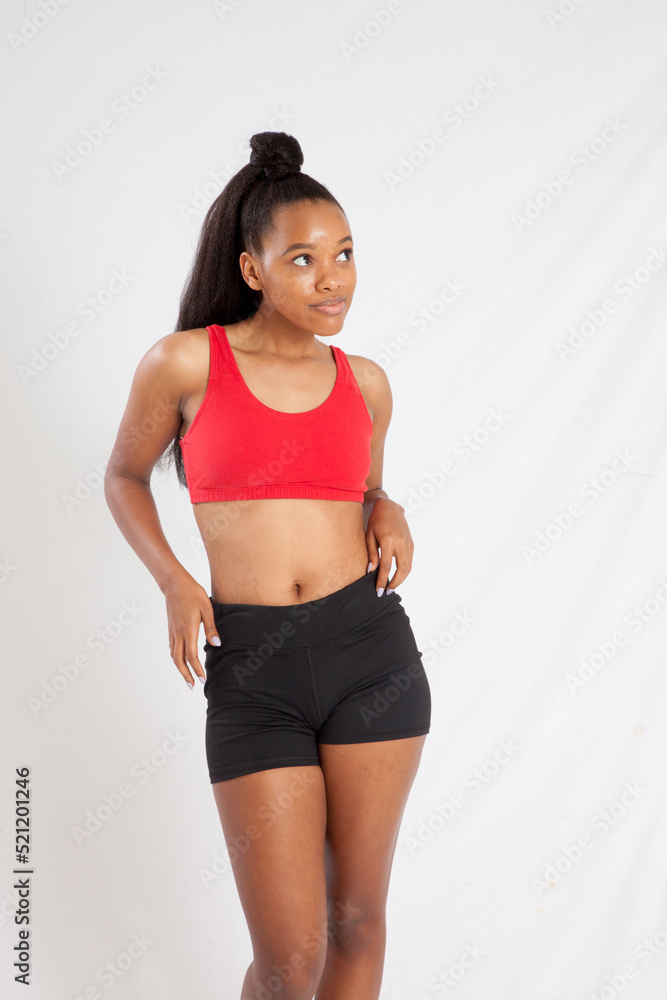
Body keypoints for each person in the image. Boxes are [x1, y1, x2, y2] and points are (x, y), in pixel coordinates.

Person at [104, 131, 431, 1000]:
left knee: (356, 921)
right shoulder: (185, 362)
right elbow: (123, 475)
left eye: (345, 254)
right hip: (254, 672)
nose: (332, 278)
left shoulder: (365, 382)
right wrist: (175, 580)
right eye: (303, 259)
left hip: (370, 655)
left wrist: (388, 506)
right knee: (289, 960)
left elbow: (362, 488)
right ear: (252, 269)